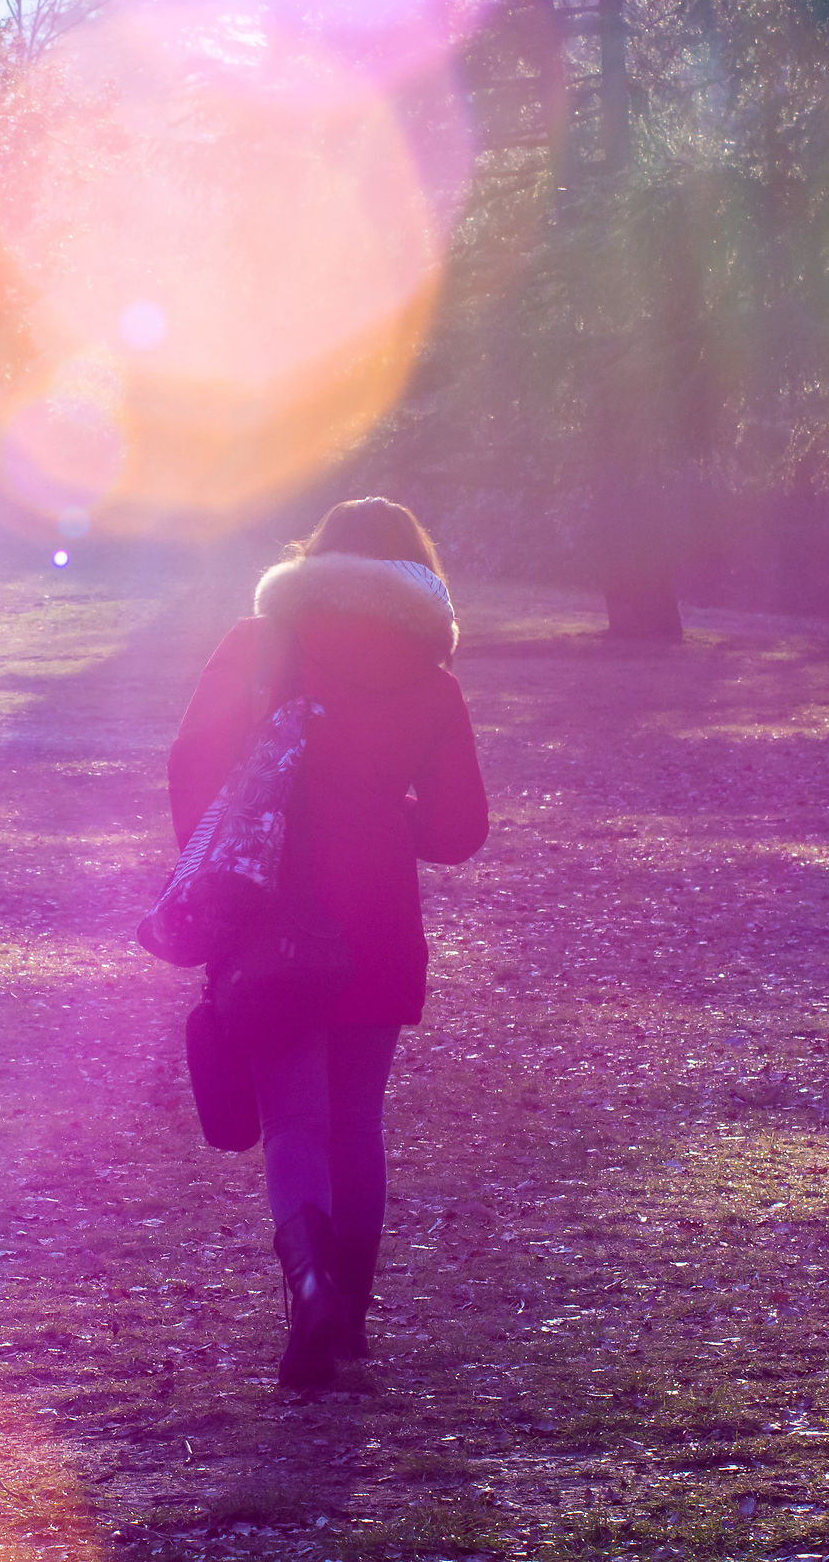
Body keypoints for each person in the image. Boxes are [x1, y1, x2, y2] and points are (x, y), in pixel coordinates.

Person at [167, 498, 489, 1389]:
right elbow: (462, 828)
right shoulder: (432, 677)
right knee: (356, 1120)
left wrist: (227, 861)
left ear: (318, 560)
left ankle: (307, 1290)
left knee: (294, 1121)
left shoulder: (260, 643)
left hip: (273, 911)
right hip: (379, 919)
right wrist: (383, 815)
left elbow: (191, 762)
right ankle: (347, 1312)